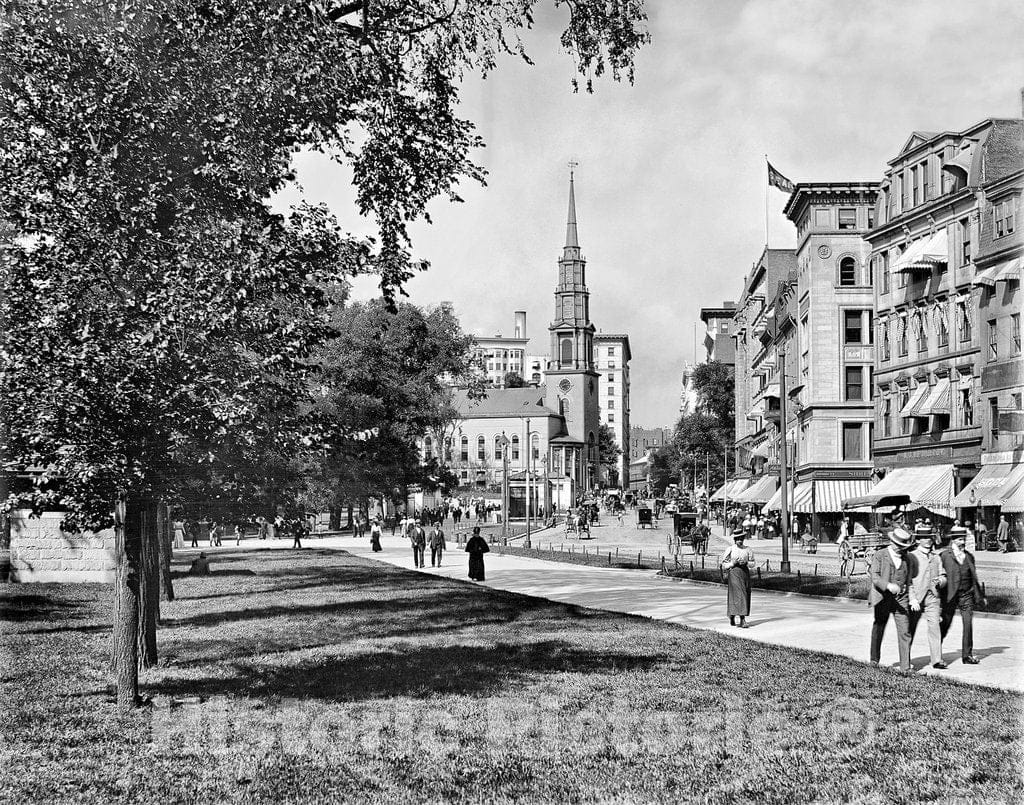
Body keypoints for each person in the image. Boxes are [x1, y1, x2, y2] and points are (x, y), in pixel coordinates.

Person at [868, 527, 918, 673]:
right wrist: (888, 585)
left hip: (901, 599)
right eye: (899, 546)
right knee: (879, 627)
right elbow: (875, 577)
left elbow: (909, 581)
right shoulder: (880, 555)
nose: (901, 549)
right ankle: (874, 660)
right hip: (882, 598)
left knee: (905, 631)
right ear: (892, 542)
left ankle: (905, 667)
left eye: (904, 547)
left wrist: (913, 598)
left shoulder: (907, 559)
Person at [940, 525, 986, 665]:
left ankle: (967, 655)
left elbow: (974, 578)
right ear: (953, 540)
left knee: (968, 624)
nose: (963, 542)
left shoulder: (969, 557)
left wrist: (980, 596)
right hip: (950, 596)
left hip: (966, 595)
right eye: (960, 539)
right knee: (945, 624)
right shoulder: (944, 556)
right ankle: (936, 652)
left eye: (964, 539)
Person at [908, 522, 948, 669]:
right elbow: (908, 581)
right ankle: (906, 660)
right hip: (916, 598)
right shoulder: (912, 557)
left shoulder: (936, 558)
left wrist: (941, 581)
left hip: (933, 598)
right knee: (909, 629)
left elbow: (943, 575)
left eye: (930, 537)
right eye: (924, 538)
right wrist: (912, 599)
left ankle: (936, 660)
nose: (928, 540)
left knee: (935, 626)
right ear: (918, 540)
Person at [719, 529, 754, 628]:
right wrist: (733, 563)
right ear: (735, 539)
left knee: (746, 593)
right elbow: (724, 564)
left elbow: (753, 563)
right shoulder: (730, 549)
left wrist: (746, 562)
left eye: (741, 539)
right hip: (734, 573)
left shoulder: (748, 549)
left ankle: (732, 615)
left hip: (744, 573)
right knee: (739, 593)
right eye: (738, 539)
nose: (740, 541)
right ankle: (742, 619)